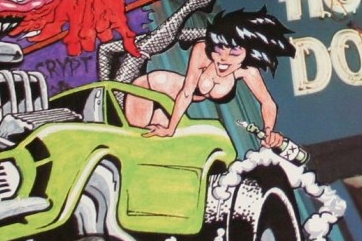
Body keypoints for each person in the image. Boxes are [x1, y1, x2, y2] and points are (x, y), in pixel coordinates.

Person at [125, 8, 296, 147]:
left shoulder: (248, 70)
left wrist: (269, 132)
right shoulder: (201, 50)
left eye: (234, 52)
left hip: (168, 103)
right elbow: (186, 92)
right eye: (219, 49)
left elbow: (267, 103)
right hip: (148, 88)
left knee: (152, 146)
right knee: (134, 139)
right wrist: (170, 129)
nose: (223, 58)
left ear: (249, 51)